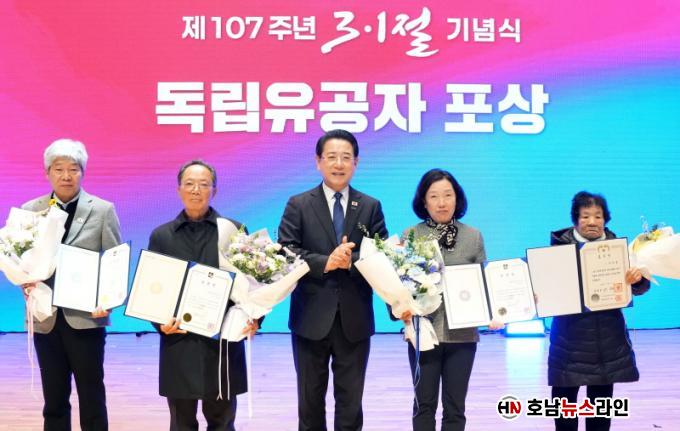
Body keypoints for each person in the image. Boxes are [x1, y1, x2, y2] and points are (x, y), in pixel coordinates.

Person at [278, 129, 388, 431]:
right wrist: (325, 262)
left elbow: (381, 254)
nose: (338, 164)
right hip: (310, 317)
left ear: (356, 163)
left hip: (355, 318)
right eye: (331, 157)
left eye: (346, 157)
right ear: (318, 162)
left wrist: (350, 261)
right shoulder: (299, 204)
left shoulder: (370, 206)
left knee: (351, 403)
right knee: (309, 402)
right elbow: (286, 251)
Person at [148, 160, 257, 431]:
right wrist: (159, 323)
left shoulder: (233, 232)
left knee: (222, 422)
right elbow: (152, 288)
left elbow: (253, 284)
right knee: (181, 422)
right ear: (179, 189)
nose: (196, 190)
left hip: (222, 341)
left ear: (214, 191)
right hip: (179, 340)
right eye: (189, 184)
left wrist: (255, 318)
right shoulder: (162, 236)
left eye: (204, 184)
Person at [22, 138, 122, 431]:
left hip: (86, 318)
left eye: (73, 169)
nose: (66, 176)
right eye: (59, 169)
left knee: (92, 395)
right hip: (46, 318)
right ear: (47, 173)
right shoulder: (31, 210)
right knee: (53, 397)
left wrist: (108, 300)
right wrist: (25, 283)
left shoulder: (102, 210)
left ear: (83, 172)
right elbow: (20, 258)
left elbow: (114, 261)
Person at [398, 168, 501, 431]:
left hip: (463, 336)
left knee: (455, 408)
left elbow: (484, 282)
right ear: (424, 201)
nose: (442, 203)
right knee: (424, 405)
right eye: (434, 196)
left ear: (457, 198)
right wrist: (401, 308)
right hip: (424, 334)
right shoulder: (411, 235)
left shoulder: (473, 236)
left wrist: (501, 308)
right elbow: (399, 284)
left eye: (448, 195)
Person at [548, 191, 650, 431]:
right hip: (569, 340)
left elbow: (640, 287)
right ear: (576, 220)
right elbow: (545, 287)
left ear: (605, 219)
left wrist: (637, 279)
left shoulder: (619, 249)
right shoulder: (556, 252)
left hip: (607, 340)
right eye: (585, 216)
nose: (592, 222)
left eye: (598, 216)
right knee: (564, 404)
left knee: (601, 407)